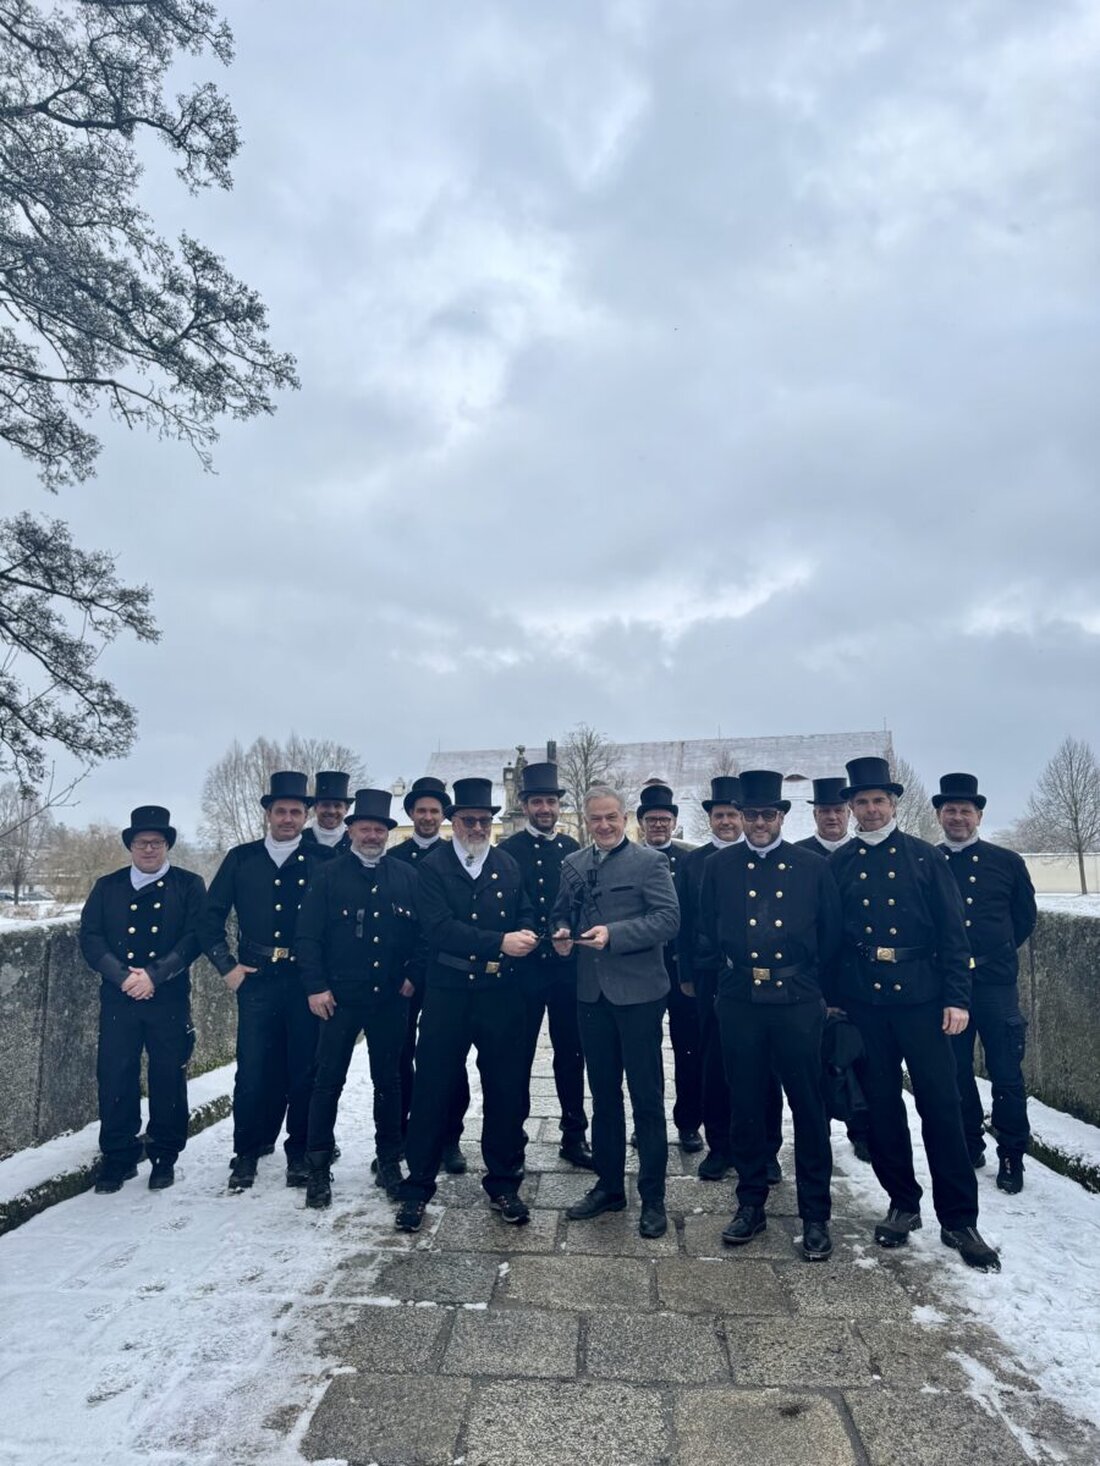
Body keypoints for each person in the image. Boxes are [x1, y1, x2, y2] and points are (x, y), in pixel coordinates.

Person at [831, 756, 1000, 1271]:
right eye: (861, 801)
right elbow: (832, 939)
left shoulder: (928, 860)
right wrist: (834, 1000)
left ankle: (959, 1219)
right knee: (880, 1109)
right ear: (852, 808)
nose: (871, 809)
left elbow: (954, 936)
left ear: (894, 804)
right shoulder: (839, 864)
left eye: (879, 800)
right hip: (866, 1004)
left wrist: (958, 997)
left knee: (941, 1108)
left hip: (924, 1002)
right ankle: (903, 1203)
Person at [700, 770, 840, 1261]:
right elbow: (704, 928)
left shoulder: (811, 867)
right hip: (740, 998)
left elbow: (832, 935)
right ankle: (751, 1203)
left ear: (782, 817)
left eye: (768, 815)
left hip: (797, 999)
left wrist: (823, 993)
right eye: (750, 814)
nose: (759, 823)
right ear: (737, 817)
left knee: (808, 1108)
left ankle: (816, 1214)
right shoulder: (720, 868)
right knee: (747, 1107)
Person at [395, 777, 538, 1231]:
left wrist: (534, 931)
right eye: (468, 820)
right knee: (432, 1088)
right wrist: (501, 941)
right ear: (453, 822)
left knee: (505, 1090)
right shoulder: (432, 868)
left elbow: (526, 910)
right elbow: (438, 929)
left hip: (500, 995)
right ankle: (417, 1186)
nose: (476, 827)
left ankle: (504, 1183)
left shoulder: (508, 865)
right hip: (449, 993)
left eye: (484, 820)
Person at [552, 786, 680, 1240]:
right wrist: (563, 932)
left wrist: (617, 934)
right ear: (585, 820)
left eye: (611, 818)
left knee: (646, 1097)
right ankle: (609, 1186)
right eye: (595, 819)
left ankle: (653, 1197)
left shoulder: (650, 862)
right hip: (591, 995)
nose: (603, 826)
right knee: (604, 1096)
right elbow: (559, 914)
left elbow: (668, 920)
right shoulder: (573, 866)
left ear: (625, 817)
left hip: (640, 995)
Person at [203, 770, 336, 1192]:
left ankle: (298, 1153)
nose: (288, 818)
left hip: (303, 979)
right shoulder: (241, 859)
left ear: (306, 815)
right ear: (268, 814)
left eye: (297, 811)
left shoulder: (323, 862)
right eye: (281, 811)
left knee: (304, 1071)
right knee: (253, 1071)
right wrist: (226, 966)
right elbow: (208, 918)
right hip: (256, 979)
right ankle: (245, 1152)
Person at [296, 789, 422, 1206]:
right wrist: (315, 987)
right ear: (351, 830)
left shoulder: (405, 876)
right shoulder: (328, 875)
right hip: (339, 998)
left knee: (389, 1082)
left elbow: (423, 934)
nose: (372, 835)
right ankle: (317, 1168)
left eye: (380, 829)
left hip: (389, 998)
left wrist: (412, 976)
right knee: (326, 1082)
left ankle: (389, 1159)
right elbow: (308, 937)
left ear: (388, 833)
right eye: (365, 827)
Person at [79, 806, 206, 1193]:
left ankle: (164, 1155)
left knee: (168, 1076)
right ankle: (118, 1156)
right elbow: (90, 937)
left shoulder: (189, 884)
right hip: (119, 998)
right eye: (141, 842)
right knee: (115, 1075)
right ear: (130, 846)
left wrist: (154, 974)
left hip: (166, 997)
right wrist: (124, 978)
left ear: (167, 845)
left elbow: (194, 937)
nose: (149, 849)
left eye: (156, 842)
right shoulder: (108, 886)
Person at [677, 775, 785, 1182]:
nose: (725, 822)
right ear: (711, 819)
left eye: (730, 815)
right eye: (718, 815)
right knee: (715, 1060)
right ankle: (720, 1144)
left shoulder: (761, 858)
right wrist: (687, 971)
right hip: (711, 976)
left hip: (759, 975)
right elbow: (686, 923)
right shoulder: (694, 862)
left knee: (765, 1064)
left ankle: (767, 1148)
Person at [934, 772, 1037, 1193]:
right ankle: (969, 1142)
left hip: (995, 986)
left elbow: (1023, 920)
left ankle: (1012, 1155)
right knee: (955, 1072)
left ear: (978, 815)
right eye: (950, 810)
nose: (958, 818)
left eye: (965, 811)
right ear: (939, 814)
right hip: (948, 987)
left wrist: (992, 953)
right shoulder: (928, 860)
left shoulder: (1007, 862)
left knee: (1007, 1074)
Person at [499, 761, 591, 1169]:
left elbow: (583, 904)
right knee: (517, 1055)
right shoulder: (507, 852)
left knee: (571, 1053)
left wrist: (570, 930)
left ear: (558, 805)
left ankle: (574, 1134)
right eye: (537, 801)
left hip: (565, 968)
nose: (544, 808)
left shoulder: (573, 851)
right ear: (525, 805)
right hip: (523, 970)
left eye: (550, 801)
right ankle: (513, 1137)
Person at [387, 774, 470, 1174]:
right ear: (410, 814)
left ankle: (449, 1136)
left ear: (444, 816)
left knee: (448, 1057)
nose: (427, 817)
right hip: (402, 975)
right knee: (400, 1055)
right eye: (420, 810)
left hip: (443, 970)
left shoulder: (458, 857)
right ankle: (404, 1131)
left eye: (434, 811)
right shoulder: (395, 860)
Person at [795, 775, 871, 1164]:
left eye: (837, 810)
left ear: (848, 813)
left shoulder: (865, 852)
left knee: (861, 1053)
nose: (831, 817)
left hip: (858, 971)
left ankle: (862, 1130)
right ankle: (818, 1128)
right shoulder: (799, 855)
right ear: (815, 815)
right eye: (824, 811)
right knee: (815, 1056)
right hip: (815, 971)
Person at [637, 783, 703, 1153]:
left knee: (688, 1050)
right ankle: (648, 1123)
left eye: (665, 819)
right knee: (644, 1053)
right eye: (652, 820)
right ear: (642, 824)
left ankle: (689, 1122)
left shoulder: (690, 862)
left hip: (681, 971)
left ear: (674, 823)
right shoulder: (629, 859)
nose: (659, 826)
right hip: (642, 969)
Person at [301, 770, 352, 852]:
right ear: (315, 808)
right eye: (326, 805)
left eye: (337, 806)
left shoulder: (354, 843)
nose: (332, 811)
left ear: (346, 809)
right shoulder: (301, 839)